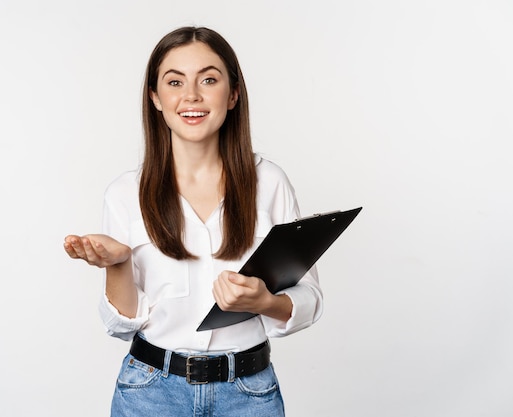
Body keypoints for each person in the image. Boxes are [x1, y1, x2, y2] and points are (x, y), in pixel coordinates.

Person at [64, 26, 323, 417]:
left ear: (233, 93)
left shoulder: (269, 182)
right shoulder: (124, 193)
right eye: (174, 81)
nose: (191, 96)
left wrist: (264, 301)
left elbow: (310, 298)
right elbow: (122, 325)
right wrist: (117, 264)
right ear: (155, 97)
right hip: (150, 393)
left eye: (208, 79)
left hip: (249, 394)